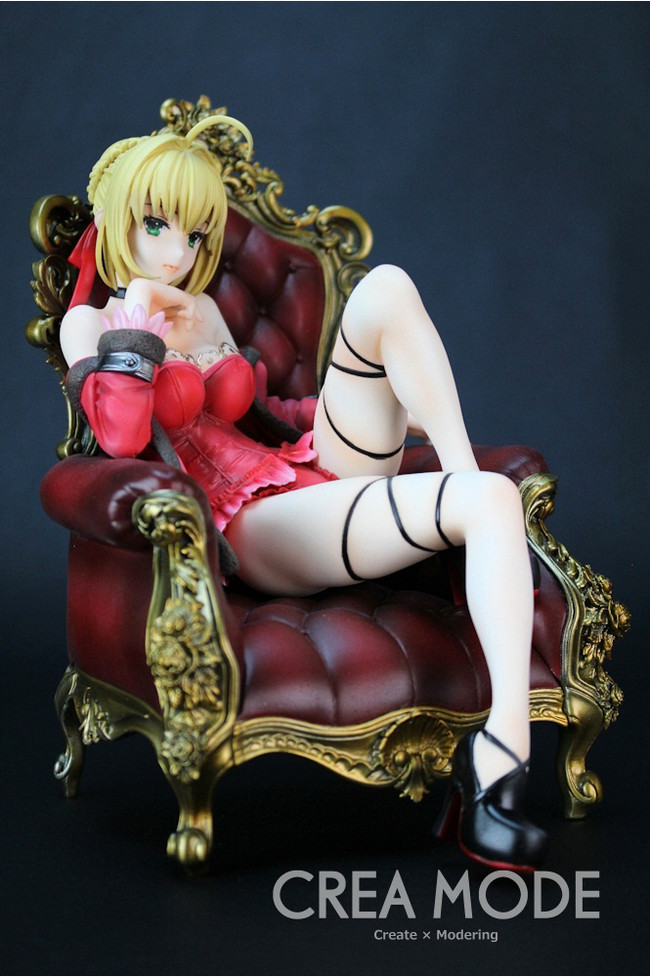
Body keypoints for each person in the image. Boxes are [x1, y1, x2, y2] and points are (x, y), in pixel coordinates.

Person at [60, 113, 548, 872]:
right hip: (250, 524)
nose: (179, 252)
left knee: (387, 287)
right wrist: (141, 330)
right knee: (492, 501)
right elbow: (121, 437)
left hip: (299, 466)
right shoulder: (91, 323)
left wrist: (378, 403)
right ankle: (502, 762)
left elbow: (259, 416)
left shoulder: (206, 307)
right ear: (122, 219)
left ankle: (455, 468)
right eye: (158, 225)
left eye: (195, 233)